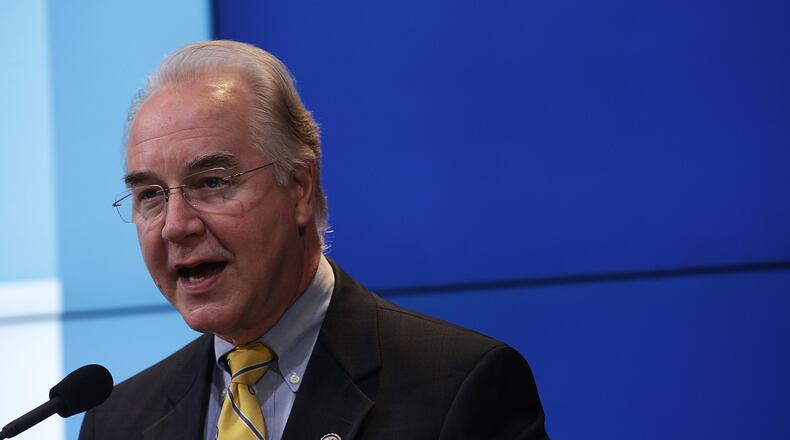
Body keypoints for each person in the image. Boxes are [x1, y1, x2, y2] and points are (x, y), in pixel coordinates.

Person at [80, 40, 548, 440]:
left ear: (301, 187)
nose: (176, 225)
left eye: (212, 182)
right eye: (151, 195)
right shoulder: (116, 422)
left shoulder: (458, 390)